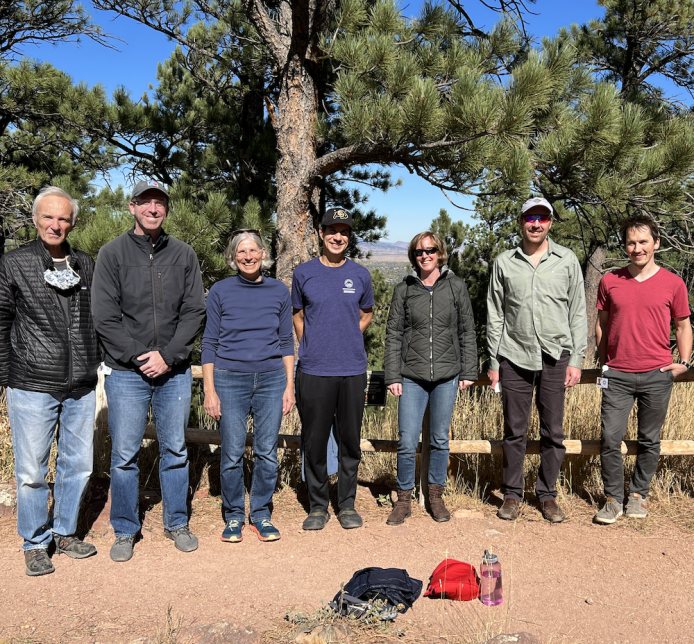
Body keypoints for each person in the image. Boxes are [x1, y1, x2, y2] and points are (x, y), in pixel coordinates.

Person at [92, 180, 206, 562]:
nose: (153, 209)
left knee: (174, 448)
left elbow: (194, 311)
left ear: (167, 210)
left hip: (174, 372)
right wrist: (142, 357)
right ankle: (125, 528)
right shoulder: (112, 254)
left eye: (159, 203)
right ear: (131, 207)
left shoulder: (184, 254)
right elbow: (105, 317)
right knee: (124, 454)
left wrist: (170, 356)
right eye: (146, 202)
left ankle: (177, 522)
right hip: (127, 372)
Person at [0, 187, 101, 576]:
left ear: (72, 222)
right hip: (31, 382)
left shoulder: (85, 264)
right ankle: (34, 542)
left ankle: (64, 532)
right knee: (31, 471)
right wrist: (5, 376)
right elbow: (1, 322)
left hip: (80, 384)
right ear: (34, 219)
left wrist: (97, 363)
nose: (55, 224)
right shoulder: (14, 263)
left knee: (78, 464)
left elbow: (98, 319)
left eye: (63, 218)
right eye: (48, 217)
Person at [487, 196, 587, 523]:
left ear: (550, 223)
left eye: (542, 217)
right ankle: (513, 495)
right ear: (520, 222)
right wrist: (493, 361)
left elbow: (577, 312)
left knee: (553, 431)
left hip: (556, 357)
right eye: (530, 217)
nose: (536, 223)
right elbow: (496, 316)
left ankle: (547, 495)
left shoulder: (567, 260)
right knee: (515, 431)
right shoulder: (504, 262)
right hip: (514, 356)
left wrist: (576, 358)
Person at [594, 215, 692, 524]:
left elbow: (683, 325)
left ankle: (637, 495)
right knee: (610, 437)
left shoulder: (673, 284)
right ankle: (613, 498)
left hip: (657, 373)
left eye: (643, 242)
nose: (637, 248)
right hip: (617, 374)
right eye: (631, 242)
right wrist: (603, 360)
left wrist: (684, 362)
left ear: (656, 244)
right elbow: (601, 324)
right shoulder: (610, 281)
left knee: (650, 439)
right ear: (625, 246)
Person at [201, 230, 295, 543]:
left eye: (253, 250)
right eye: (242, 251)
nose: (248, 256)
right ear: (233, 256)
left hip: (271, 379)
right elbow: (209, 342)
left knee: (266, 451)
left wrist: (289, 385)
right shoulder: (220, 291)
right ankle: (233, 516)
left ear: (263, 253)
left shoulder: (279, 291)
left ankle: (261, 514)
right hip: (229, 378)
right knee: (231, 451)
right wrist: (209, 390)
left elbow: (286, 341)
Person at [384, 231, 478, 525]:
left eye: (430, 250)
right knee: (407, 439)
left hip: (447, 375)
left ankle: (435, 496)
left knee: (439, 439)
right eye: (419, 252)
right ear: (414, 257)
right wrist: (392, 375)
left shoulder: (456, 286)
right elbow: (394, 334)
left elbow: (467, 331)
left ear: (440, 253)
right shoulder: (404, 289)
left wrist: (469, 370)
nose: (425, 255)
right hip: (411, 375)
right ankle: (403, 499)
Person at [292, 208, 374, 531]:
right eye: (332, 231)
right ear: (321, 234)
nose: (337, 237)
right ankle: (317, 506)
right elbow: (299, 317)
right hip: (314, 369)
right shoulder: (304, 273)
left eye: (344, 232)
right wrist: (314, 343)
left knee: (350, 440)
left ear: (349, 237)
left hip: (352, 369)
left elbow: (365, 314)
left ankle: (347, 504)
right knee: (314, 441)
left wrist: (345, 338)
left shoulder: (361, 275)